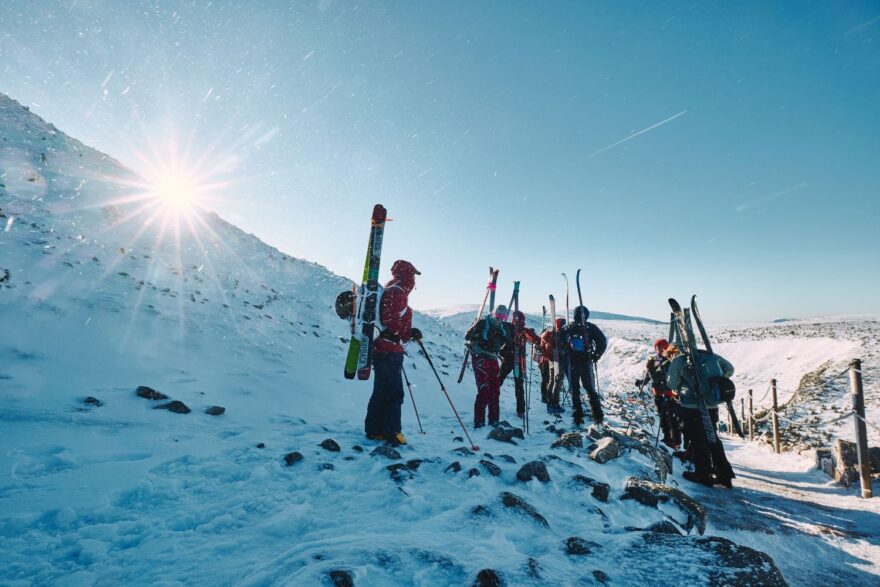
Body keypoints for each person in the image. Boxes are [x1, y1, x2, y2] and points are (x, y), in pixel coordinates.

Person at [365, 260, 422, 446]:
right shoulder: (397, 291)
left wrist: (408, 333)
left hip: (384, 348)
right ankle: (392, 431)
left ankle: (375, 430)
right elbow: (391, 320)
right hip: (390, 349)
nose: (414, 280)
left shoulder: (392, 289)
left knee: (381, 391)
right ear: (408, 275)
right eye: (413, 275)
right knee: (394, 393)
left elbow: (391, 319)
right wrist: (403, 334)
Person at [667, 348, 736, 488]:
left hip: (692, 405)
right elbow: (729, 369)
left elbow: (672, 384)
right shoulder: (708, 355)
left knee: (699, 440)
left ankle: (703, 474)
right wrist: (713, 383)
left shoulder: (679, 360)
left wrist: (681, 387)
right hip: (712, 404)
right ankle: (725, 474)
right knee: (712, 438)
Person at [464, 305, 514, 428]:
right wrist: (476, 334)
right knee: (484, 390)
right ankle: (479, 422)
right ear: (493, 315)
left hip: (492, 357)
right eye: (497, 317)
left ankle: (494, 420)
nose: (499, 320)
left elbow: (509, 342)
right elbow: (467, 336)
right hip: (479, 356)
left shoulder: (504, 328)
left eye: (502, 318)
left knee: (495, 391)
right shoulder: (482, 323)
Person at [562, 306, 607, 426]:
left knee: (575, 390)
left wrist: (565, 355)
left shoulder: (568, 328)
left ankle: (578, 417)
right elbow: (602, 342)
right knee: (590, 390)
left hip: (571, 364)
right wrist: (595, 356)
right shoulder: (590, 327)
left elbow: (560, 343)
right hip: (586, 363)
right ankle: (598, 417)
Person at [499, 310, 540, 420]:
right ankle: (520, 410)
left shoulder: (514, 328)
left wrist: (533, 335)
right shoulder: (515, 329)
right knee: (517, 385)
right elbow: (535, 339)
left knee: (501, 381)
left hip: (513, 360)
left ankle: (492, 401)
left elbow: (535, 339)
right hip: (515, 360)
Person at [642, 339, 682, 448]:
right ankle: (670, 439)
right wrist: (642, 382)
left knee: (671, 417)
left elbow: (656, 373)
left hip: (669, 394)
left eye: (660, 347)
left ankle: (675, 441)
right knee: (665, 417)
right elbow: (652, 374)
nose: (658, 350)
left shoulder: (669, 359)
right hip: (662, 393)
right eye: (657, 347)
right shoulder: (658, 359)